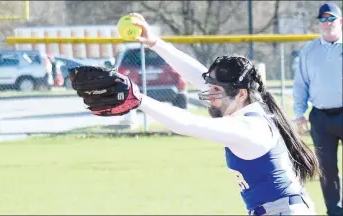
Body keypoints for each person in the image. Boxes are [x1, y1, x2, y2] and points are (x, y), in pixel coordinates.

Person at [116, 13, 321, 215]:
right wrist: (154, 42)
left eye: (216, 90)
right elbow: (195, 72)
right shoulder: (254, 108)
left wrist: (139, 99)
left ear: (241, 93)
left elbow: (187, 124)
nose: (210, 95)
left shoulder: (249, 127)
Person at [293, 2, 343, 216]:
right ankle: (334, 211)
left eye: (331, 18)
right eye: (323, 19)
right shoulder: (309, 50)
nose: (327, 23)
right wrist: (299, 114)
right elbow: (300, 84)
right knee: (327, 170)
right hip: (321, 117)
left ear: (340, 21)